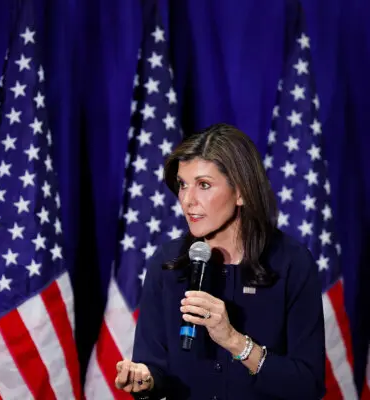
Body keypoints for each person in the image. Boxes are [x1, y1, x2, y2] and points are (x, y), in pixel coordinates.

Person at [114, 123, 325, 399]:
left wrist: (233, 340)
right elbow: (156, 368)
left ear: (241, 192)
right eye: (182, 184)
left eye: (203, 185)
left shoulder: (291, 263)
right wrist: (145, 381)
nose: (187, 200)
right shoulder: (168, 263)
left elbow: (307, 385)